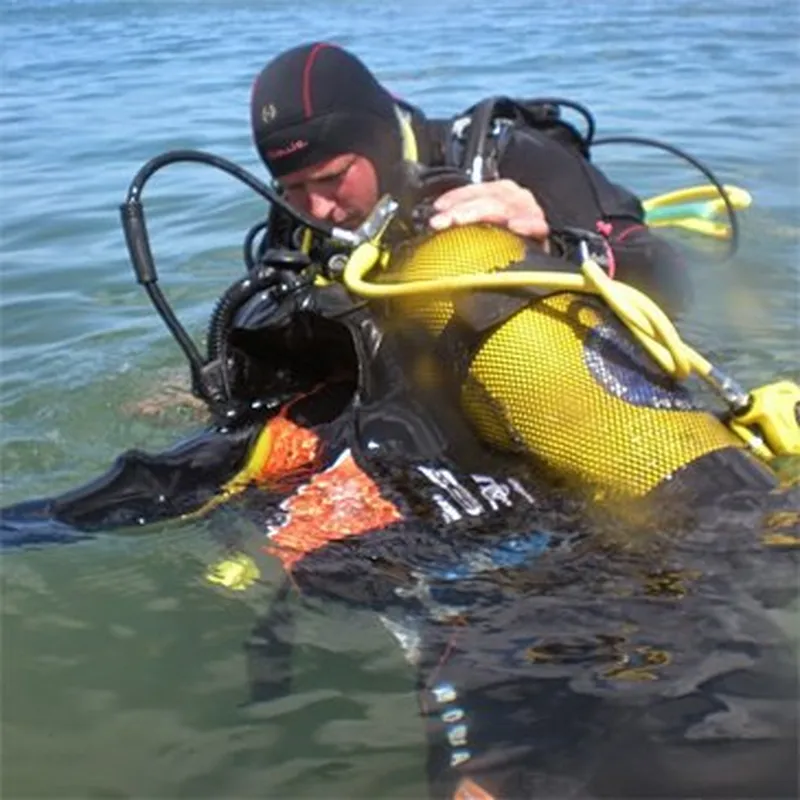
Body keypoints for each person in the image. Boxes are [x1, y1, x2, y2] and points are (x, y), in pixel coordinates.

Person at [249, 41, 692, 316]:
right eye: (293, 187)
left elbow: (673, 280)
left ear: (380, 144)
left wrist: (554, 250)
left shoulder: (509, 158)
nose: (317, 208)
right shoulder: (297, 215)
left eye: (333, 177)